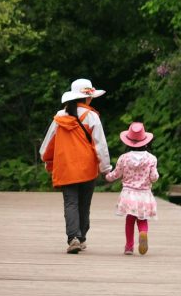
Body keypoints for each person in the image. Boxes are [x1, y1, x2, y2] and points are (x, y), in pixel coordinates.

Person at [39, 79, 112, 253]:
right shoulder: (92, 116)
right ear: (87, 98)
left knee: (70, 203)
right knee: (84, 204)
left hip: (66, 168)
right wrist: (106, 168)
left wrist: (47, 159)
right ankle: (82, 237)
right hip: (87, 168)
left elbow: (47, 144)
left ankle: (73, 238)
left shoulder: (60, 117)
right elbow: (100, 145)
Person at [105, 122, 159, 255]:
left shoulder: (124, 158)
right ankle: (143, 233)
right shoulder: (151, 158)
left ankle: (129, 247)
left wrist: (107, 176)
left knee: (130, 220)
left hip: (129, 195)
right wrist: (154, 175)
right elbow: (154, 177)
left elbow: (116, 174)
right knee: (142, 219)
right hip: (144, 195)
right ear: (145, 141)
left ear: (128, 141)